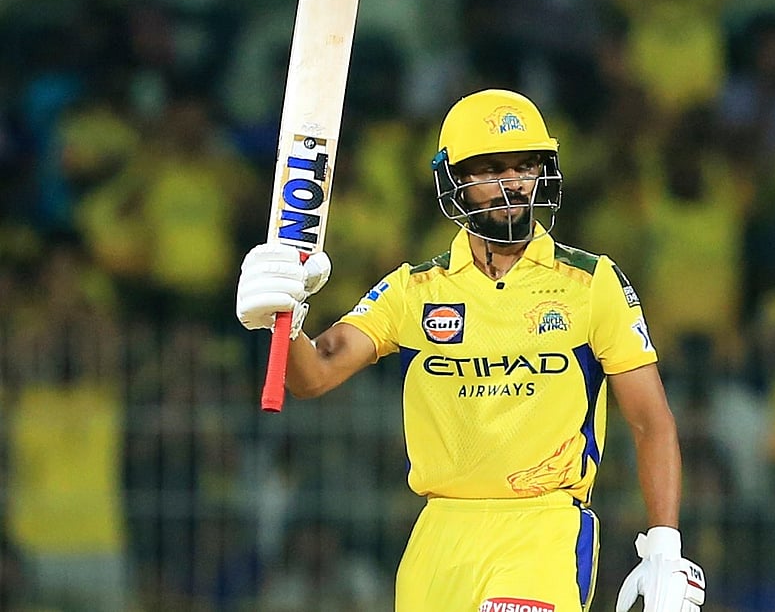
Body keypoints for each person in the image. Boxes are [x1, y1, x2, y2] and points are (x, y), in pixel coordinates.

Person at [235, 88, 705, 611]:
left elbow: (650, 420)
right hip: (439, 536)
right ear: (454, 181)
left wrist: (665, 542)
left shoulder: (591, 283)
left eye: (525, 167)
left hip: (542, 527)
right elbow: (313, 375)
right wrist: (284, 318)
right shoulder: (414, 290)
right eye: (490, 170)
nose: (512, 185)